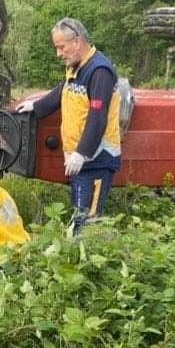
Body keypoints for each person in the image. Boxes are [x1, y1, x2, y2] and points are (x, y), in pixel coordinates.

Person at [17, 18, 122, 230]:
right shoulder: (76, 67)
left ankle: (86, 253)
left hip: (97, 159)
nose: (59, 53)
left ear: (77, 41)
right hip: (80, 160)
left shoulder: (99, 71)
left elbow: (98, 116)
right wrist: (36, 107)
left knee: (86, 219)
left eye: (61, 47)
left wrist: (82, 152)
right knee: (77, 211)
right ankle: (74, 251)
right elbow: (62, 91)